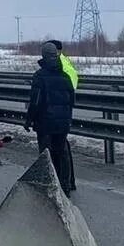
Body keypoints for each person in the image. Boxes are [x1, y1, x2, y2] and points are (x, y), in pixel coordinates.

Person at [25, 42, 75, 194]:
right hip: (63, 123)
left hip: (45, 123)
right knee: (61, 153)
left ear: (43, 56)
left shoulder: (40, 76)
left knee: (46, 155)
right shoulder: (66, 76)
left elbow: (35, 101)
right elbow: (71, 100)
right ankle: (65, 187)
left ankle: (48, 185)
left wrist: (29, 120)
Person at [44, 39, 78, 190]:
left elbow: (68, 86)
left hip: (57, 111)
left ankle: (64, 184)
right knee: (63, 148)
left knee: (60, 150)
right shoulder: (64, 61)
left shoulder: (60, 64)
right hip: (63, 111)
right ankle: (69, 182)